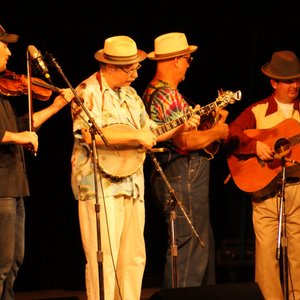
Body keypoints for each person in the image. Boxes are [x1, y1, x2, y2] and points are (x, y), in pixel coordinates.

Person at [70, 35, 199, 300]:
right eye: (129, 69)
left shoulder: (130, 95)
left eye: (136, 67)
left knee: (133, 258)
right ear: (109, 67)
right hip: (100, 187)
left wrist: (180, 126)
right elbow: (87, 134)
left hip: (132, 183)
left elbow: (150, 132)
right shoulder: (87, 91)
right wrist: (135, 137)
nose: (135, 74)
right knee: (104, 258)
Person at [142, 32, 229, 288]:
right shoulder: (167, 95)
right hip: (183, 173)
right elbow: (184, 142)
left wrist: (210, 123)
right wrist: (218, 132)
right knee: (190, 248)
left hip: (180, 174)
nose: (189, 66)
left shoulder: (157, 92)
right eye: (188, 60)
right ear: (178, 60)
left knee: (200, 244)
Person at [0, 24, 73, 300]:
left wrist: (55, 107)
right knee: (2, 263)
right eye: (4, 45)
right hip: (1, 188)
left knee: (15, 261)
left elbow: (21, 125)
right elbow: (11, 133)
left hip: (15, 185)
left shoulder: (3, 93)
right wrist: (20, 137)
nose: (8, 51)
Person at [225, 50, 300, 299]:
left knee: (299, 255)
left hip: (297, 190)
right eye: (288, 81)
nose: (295, 85)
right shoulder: (258, 111)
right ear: (274, 83)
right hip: (265, 192)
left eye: (297, 79)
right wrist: (254, 146)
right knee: (266, 256)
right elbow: (230, 134)